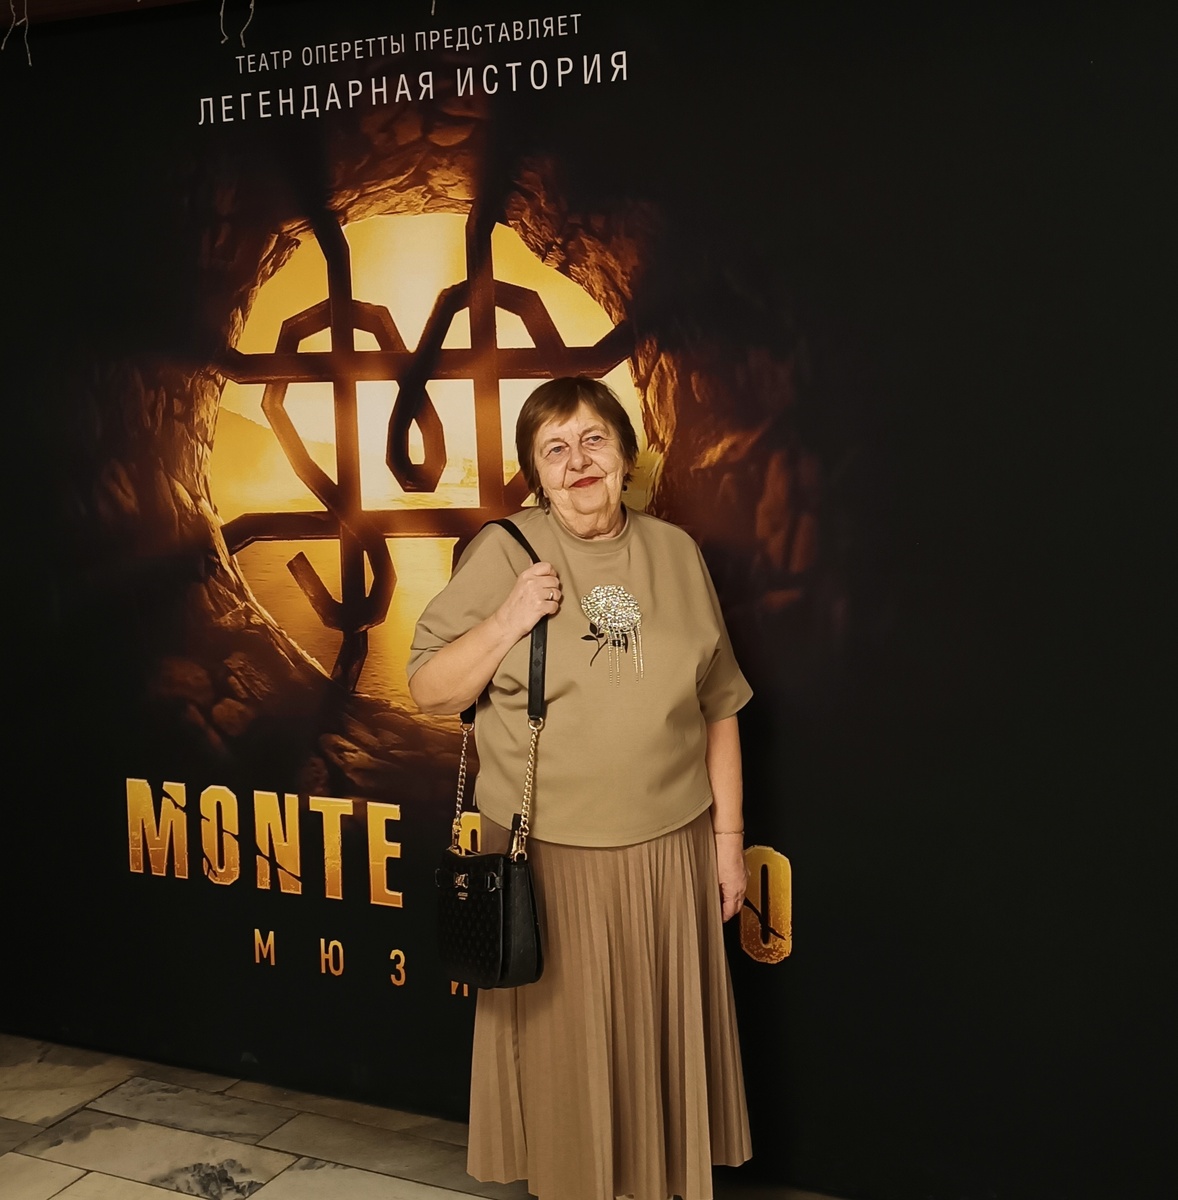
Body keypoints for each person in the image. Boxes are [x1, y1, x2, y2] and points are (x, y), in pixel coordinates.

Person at [408, 376, 752, 1200]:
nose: (578, 461)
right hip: (549, 855)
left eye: (594, 439)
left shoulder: (676, 552)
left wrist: (727, 843)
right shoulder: (505, 552)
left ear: (626, 453)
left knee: (655, 1042)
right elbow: (429, 690)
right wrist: (508, 619)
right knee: (570, 1055)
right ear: (536, 473)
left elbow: (720, 705)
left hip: (669, 846)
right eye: (554, 449)